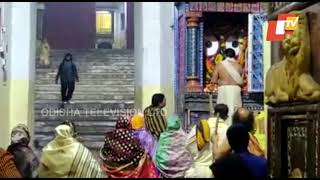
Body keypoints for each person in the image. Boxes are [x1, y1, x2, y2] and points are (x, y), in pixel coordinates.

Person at [38, 123, 105, 178]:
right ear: (70, 133)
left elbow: (42, 171)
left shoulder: (48, 149)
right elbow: (93, 169)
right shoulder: (79, 148)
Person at [184, 104, 229, 178]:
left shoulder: (199, 126)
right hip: (217, 172)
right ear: (226, 117)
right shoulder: (228, 130)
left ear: (213, 113)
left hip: (198, 171)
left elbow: (187, 145)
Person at [211, 48, 243, 125]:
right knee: (235, 110)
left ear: (225, 55)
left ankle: (222, 127)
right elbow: (242, 81)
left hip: (223, 89)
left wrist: (221, 81)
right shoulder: (239, 67)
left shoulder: (219, 65)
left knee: (222, 110)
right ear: (234, 56)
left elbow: (213, 80)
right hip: (235, 90)